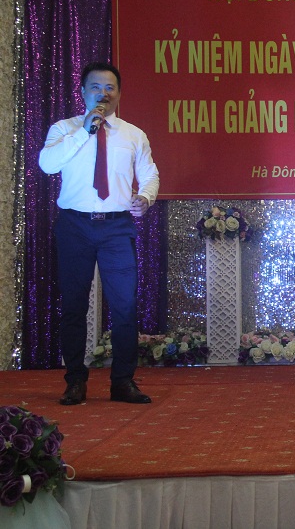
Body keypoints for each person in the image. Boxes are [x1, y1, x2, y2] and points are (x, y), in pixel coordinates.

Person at [39, 62, 160, 405]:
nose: (103, 94)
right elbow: (47, 165)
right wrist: (85, 131)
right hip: (75, 226)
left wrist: (145, 197)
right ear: (82, 92)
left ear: (119, 94)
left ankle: (123, 381)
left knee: (125, 306)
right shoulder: (64, 129)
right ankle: (75, 381)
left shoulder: (133, 134)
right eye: (96, 87)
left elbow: (149, 174)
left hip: (117, 227)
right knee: (74, 305)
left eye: (110, 88)